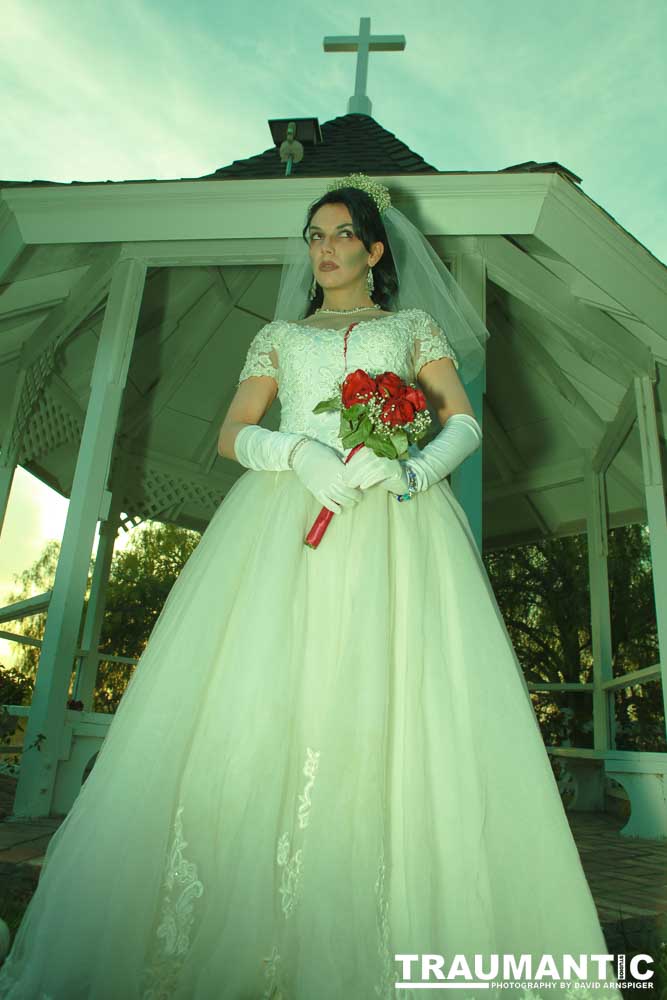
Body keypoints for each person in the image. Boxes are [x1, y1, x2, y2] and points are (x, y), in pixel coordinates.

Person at [0, 176, 623, 1000]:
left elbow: (461, 421)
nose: (322, 249)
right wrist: (298, 454)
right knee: (265, 693)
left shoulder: (410, 327)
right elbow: (232, 431)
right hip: (281, 523)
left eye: (339, 234)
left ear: (372, 249)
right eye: (312, 235)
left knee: (384, 694)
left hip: (394, 523)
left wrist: (407, 468)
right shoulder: (278, 338)